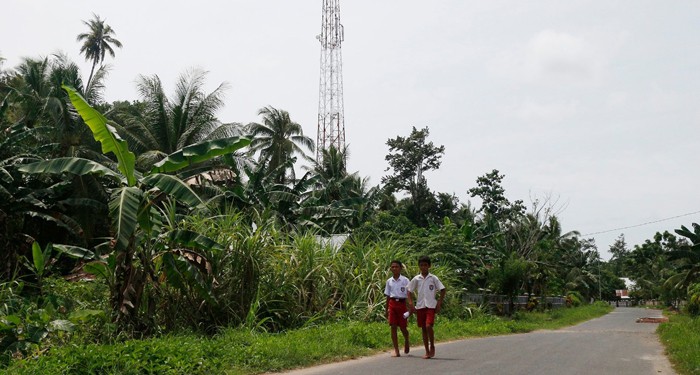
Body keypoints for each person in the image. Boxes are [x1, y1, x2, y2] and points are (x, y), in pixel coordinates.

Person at [407, 255, 446, 359]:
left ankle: (432, 345)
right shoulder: (416, 279)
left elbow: (443, 289)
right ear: (419, 266)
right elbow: (409, 290)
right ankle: (427, 350)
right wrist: (411, 304)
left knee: (429, 326)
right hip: (420, 306)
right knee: (423, 329)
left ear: (429, 266)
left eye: (425, 265)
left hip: (431, 306)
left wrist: (439, 303)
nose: (423, 267)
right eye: (421, 265)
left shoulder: (433, 278)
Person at [384, 260, 411, 357]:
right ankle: (396, 350)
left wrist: (410, 307)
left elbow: (409, 294)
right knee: (393, 326)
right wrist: (386, 309)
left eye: (396, 267)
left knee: (403, 327)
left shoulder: (405, 280)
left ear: (400, 268)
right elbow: (387, 296)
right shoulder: (389, 281)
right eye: (392, 267)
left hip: (402, 304)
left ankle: (407, 340)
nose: (394, 268)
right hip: (392, 304)